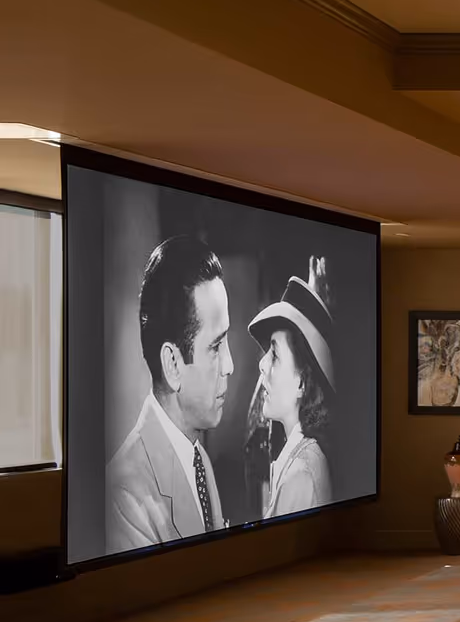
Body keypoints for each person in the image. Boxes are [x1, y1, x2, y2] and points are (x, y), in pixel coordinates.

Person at [105, 236, 233, 553]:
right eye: (216, 347)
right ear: (173, 364)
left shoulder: (197, 457)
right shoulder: (124, 496)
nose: (230, 365)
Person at [247, 256, 336, 518]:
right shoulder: (298, 458)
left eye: (274, 354)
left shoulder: (302, 473)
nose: (262, 364)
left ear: (302, 383)